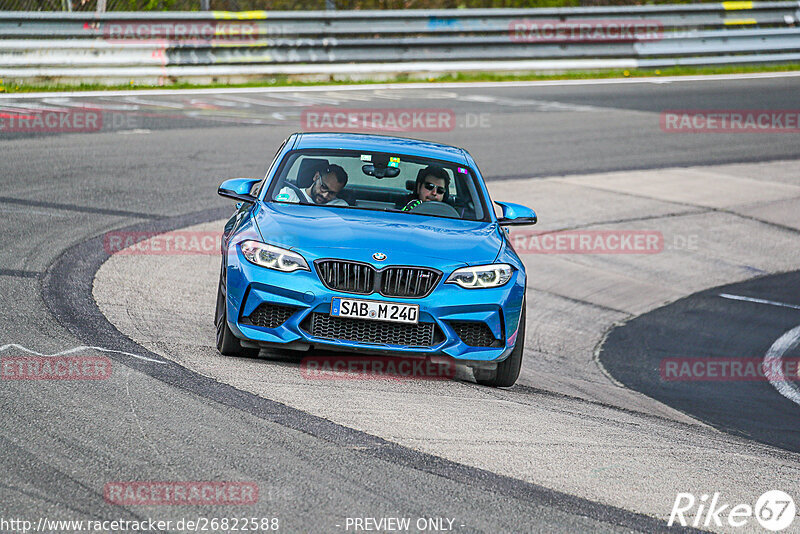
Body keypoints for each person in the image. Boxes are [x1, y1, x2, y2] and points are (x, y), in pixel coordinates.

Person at [276, 164, 348, 206]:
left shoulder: (340, 206)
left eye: (332, 193)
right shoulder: (289, 195)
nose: (325, 195)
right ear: (316, 177)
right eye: (324, 187)